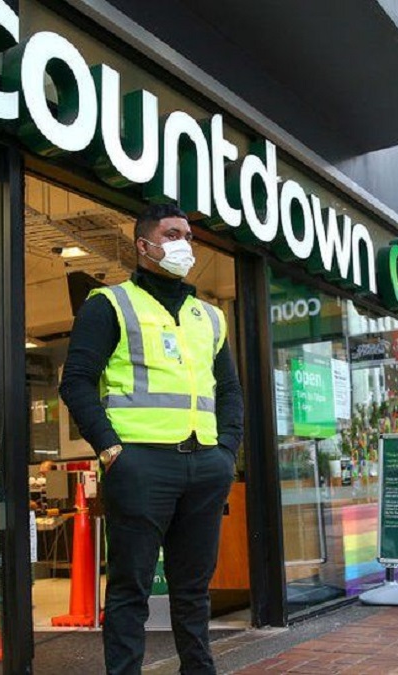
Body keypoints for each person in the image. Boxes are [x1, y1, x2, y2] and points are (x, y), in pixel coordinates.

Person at [60, 203, 244, 675]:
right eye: (172, 233)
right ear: (144, 245)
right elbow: (76, 380)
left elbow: (229, 391)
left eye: (188, 234)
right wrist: (111, 449)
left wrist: (227, 451)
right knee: (130, 591)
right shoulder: (110, 304)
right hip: (140, 466)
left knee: (193, 591)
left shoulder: (210, 317)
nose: (185, 243)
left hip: (205, 465)